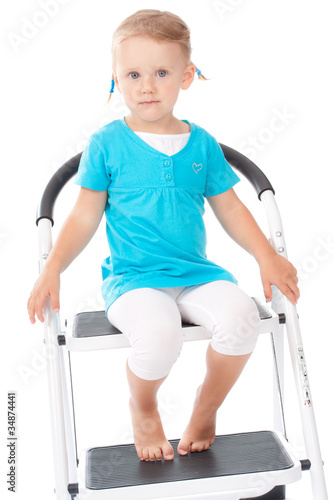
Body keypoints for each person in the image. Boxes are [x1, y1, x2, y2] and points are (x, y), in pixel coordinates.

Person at [28, 9, 299, 463]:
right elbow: (82, 217)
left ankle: (206, 407)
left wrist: (266, 256)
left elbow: (230, 208)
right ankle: (145, 406)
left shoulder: (202, 144)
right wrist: (51, 267)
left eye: (160, 72)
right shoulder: (107, 144)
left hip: (196, 274)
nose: (147, 86)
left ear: (187, 76)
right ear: (115, 77)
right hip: (135, 280)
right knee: (159, 335)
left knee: (241, 320)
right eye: (133, 74)